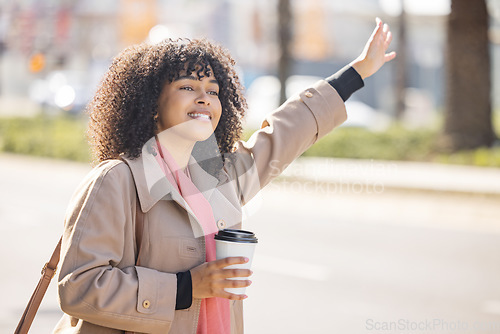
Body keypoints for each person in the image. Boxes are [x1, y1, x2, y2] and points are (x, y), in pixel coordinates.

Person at [54, 18, 395, 334]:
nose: (204, 97)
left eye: (213, 90)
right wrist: (186, 288)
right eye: (188, 87)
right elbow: (79, 288)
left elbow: (286, 132)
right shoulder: (116, 180)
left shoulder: (219, 173)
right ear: (152, 105)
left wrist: (357, 72)